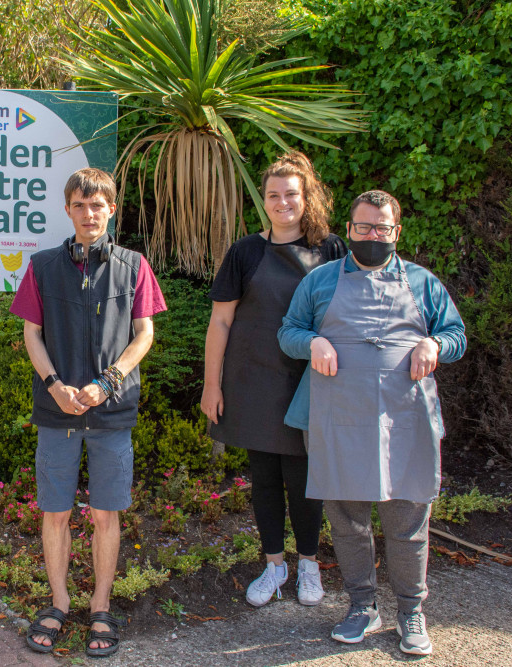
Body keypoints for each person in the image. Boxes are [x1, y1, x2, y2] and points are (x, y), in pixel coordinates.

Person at [278, 190, 466, 656]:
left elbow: (455, 333)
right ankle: (362, 605)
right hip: (337, 419)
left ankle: (410, 611)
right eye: (363, 227)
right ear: (350, 229)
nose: (372, 235)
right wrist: (312, 344)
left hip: (405, 420)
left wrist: (435, 346)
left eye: (381, 228)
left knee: (407, 521)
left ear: (396, 233)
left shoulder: (423, 283)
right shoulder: (320, 282)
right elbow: (288, 332)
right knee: (347, 522)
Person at [10, 167, 166, 658]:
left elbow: (144, 334)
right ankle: (58, 602)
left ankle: (100, 606)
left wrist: (108, 383)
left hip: (111, 413)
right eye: (80, 204)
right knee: (55, 513)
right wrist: (54, 386)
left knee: (105, 514)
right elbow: (31, 333)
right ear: (68, 209)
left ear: (111, 209)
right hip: (57, 412)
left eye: (97, 205)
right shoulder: (41, 267)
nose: (89, 213)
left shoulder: (134, 265)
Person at [201, 152, 347, 608]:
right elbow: (220, 322)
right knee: (263, 477)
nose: (282, 202)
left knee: (305, 478)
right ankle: (273, 566)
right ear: (263, 200)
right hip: (252, 379)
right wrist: (212, 384)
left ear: (307, 198)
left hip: (311, 382)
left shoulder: (333, 249)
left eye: (291, 194)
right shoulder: (245, 251)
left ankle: (308, 565)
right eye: (273, 195)